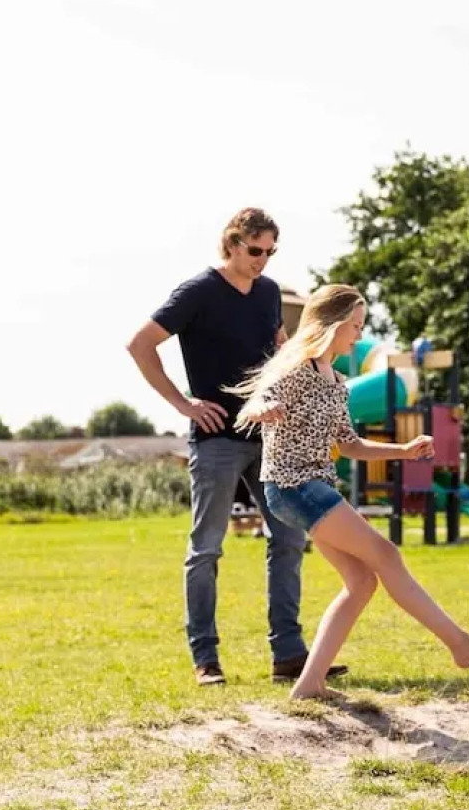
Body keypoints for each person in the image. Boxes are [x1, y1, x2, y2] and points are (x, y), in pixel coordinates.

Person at [233, 283, 469, 701]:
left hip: (310, 488)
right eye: (354, 325)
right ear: (331, 324)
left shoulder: (336, 383)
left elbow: (350, 445)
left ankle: (309, 685)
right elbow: (257, 401)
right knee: (387, 555)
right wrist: (260, 409)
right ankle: (462, 645)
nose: (358, 334)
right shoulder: (294, 370)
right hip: (294, 487)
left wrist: (402, 451)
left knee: (361, 580)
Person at [128, 208, 342, 687]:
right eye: (254, 250)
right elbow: (140, 344)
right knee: (207, 548)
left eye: (269, 251)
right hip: (217, 440)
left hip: (268, 440)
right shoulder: (197, 292)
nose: (262, 260)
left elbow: (281, 349)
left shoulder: (268, 293)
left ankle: (289, 655)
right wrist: (183, 404)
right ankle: (206, 658)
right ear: (232, 243)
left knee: (288, 539)